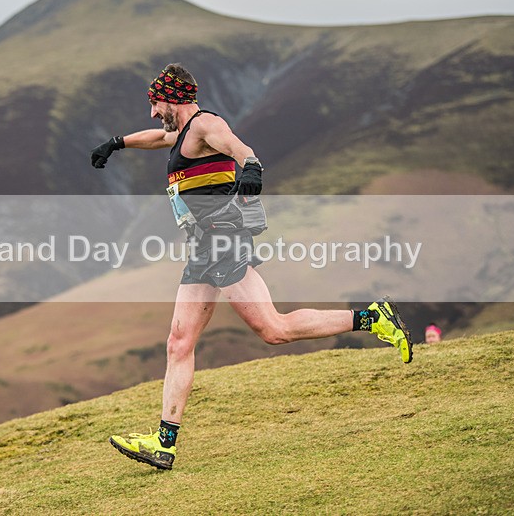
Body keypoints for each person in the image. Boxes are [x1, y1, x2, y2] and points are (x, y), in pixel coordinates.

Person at [90, 63, 412, 471]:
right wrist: (116, 143)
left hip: (223, 241)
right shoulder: (183, 133)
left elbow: (240, 148)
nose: (153, 114)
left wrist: (252, 167)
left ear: (172, 98)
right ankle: (164, 443)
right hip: (203, 249)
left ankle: (372, 319)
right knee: (178, 342)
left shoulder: (206, 126)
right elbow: (159, 138)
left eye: (155, 104)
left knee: (273, 330)